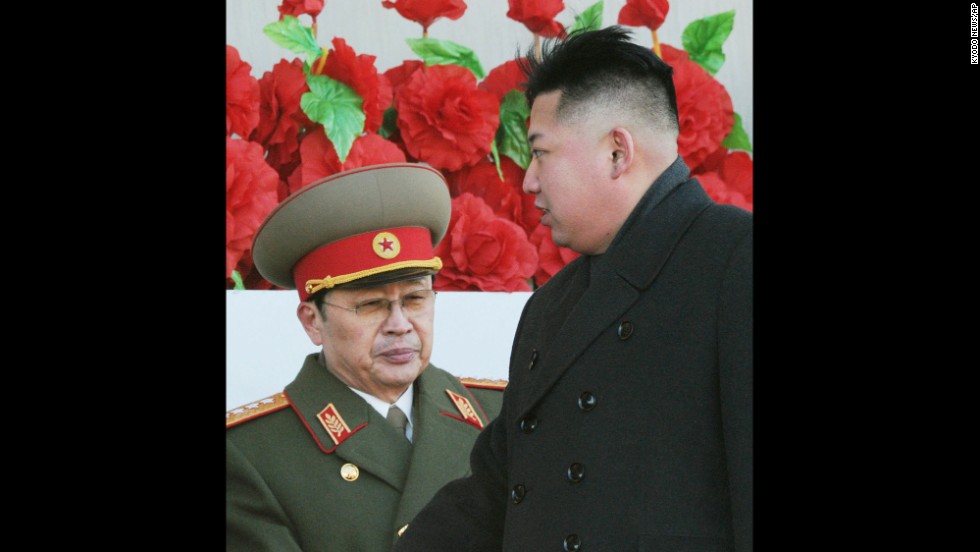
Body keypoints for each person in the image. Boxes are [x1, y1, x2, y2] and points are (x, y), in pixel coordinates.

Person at [393, 26, 752, 552]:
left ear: (616, 152)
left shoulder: (734, 261)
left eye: (541, 153)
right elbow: (497, 487)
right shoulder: (551, 305)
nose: (528, 181)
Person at [226, 163, 506, 552]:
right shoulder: (253, 453)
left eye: (415, 299)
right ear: (312, 322)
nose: (400, 325)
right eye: (371, 306)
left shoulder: (499, 414)